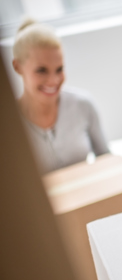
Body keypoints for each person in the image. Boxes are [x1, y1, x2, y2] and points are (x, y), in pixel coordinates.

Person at [12, 19, 109, 174]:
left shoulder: (83, 105)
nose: (53, 81)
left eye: (59, 69)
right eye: (41, 70)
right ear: (17, 67)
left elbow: (107, 160)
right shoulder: (7, 123)